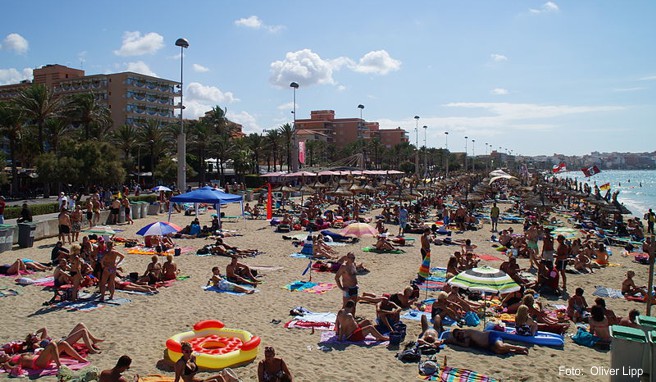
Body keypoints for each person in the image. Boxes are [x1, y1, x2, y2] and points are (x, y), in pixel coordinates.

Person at [0, 341, 87, 371]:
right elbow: (15, 368)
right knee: (52, 344)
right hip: (36, 363)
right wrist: (7, 366)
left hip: (39, 358)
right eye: (1, 356)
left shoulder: (13, 356)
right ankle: (59, 366)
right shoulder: (9, 362)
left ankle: (81, 359)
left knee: (63, 344)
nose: (4, 354)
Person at [445, 328, 528, 355]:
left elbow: (466, 345)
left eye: (459, 333)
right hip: (488, 345)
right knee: (498, 351)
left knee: (500, 346)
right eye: (458, 335)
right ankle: (516, 351)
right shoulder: (465, 338)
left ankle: (519, 348)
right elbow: (466, 344)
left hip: (491, 336)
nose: (460, 335)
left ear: (461, 331)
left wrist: (453, 341)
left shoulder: (467, 333)